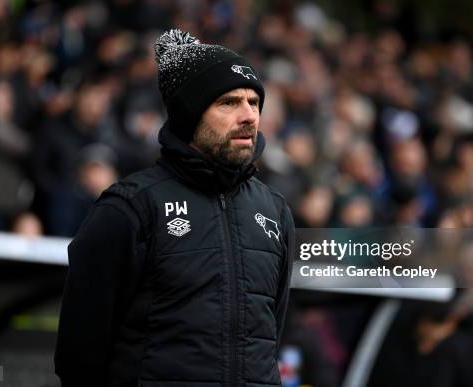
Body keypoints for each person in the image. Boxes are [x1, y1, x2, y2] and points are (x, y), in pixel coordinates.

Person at [55, 29, 295, 387]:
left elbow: (271, 332)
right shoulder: (130, 207)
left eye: (254, 102)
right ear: (189, 115)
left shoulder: (274, 211)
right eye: (228, 102)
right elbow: (80, 354)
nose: (249, 116)